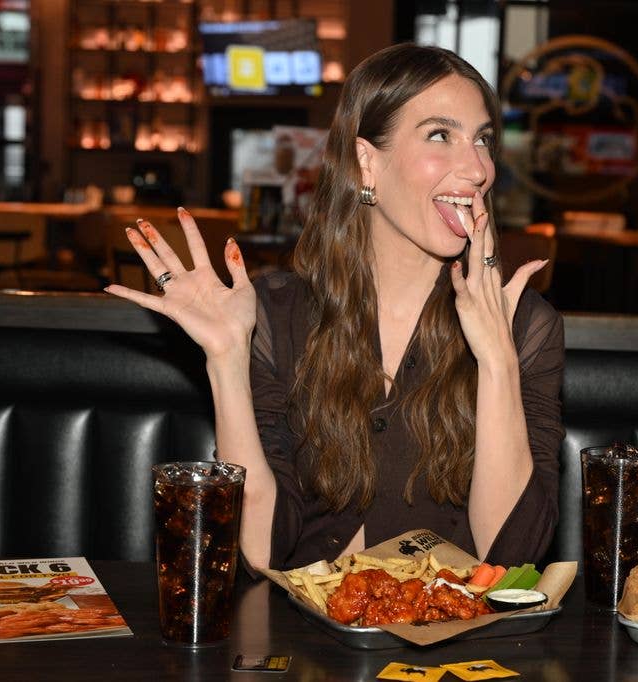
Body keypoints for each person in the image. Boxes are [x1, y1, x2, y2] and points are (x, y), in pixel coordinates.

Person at [104, 44, 564, 571]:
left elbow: (511, 555)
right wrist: (227, 360)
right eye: (441, 135)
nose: (477, 167)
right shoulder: (276, 314)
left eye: (482, 140)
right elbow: (260, 551)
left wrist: (497, 360)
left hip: (451, 646)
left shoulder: (526, 325)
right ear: (368, 160)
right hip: (304, 642)